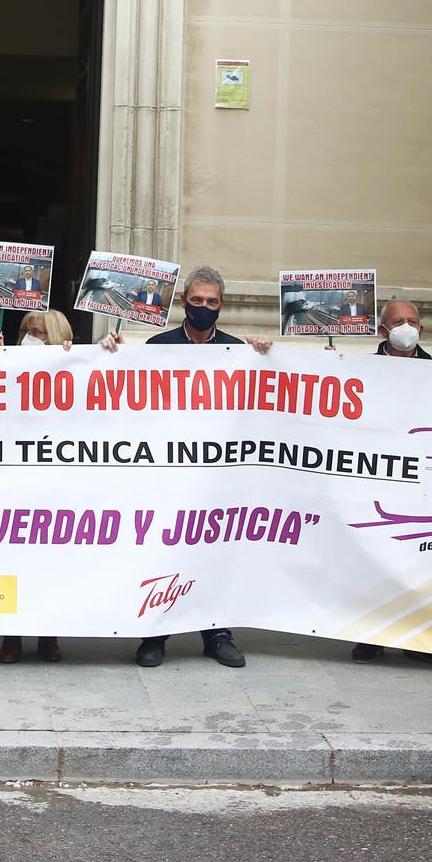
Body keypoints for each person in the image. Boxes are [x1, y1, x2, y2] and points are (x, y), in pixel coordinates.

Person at [108, 266, 271, 669]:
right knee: (164, 550)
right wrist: (111, 351)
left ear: (221, 306)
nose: (203, 308)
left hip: (219, 475)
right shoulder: (157, 346)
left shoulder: (238, 351)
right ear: (184, 302)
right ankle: (155, 634)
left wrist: (265, 352)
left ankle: (217, 634)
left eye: (211, 302)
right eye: (196, 301)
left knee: (215, 551)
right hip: (168, 472)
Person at [352, 299, 432, 664]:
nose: (406, 327)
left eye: (412, 321)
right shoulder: (361, 369)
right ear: (383, 330)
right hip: (376, 474)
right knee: (375, 555)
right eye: (398, 321)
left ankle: (422, 639)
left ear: (422, 329)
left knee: (421, 557)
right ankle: (373, 634)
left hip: (422, 479)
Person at [0, 309, 77, 663]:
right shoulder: (4, 362)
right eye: (26, 331)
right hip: (12, 481)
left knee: (50, 561)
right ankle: (11, 635)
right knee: (12, 559)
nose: (30, 338)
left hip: (54, 483)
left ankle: (48, 633)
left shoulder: (73, 369)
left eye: (38, 332)